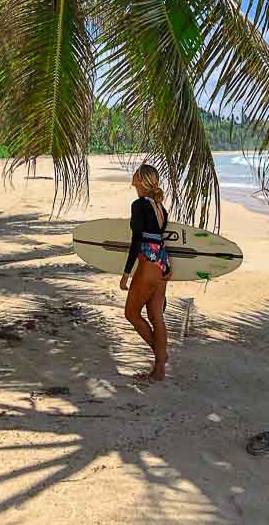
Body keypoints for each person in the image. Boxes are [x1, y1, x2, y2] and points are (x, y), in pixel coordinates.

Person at [120, 163, 171, 381]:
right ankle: (159, 369)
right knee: (155, 316)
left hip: (148, 263)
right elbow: (156, 238)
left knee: (131, 313)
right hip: (163, 263)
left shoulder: (139, 205)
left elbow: (137, 239)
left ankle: (161, 356)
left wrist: (126, 273)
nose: (133, 174)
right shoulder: (160, 207)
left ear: (141, 179)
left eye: (136, 172)